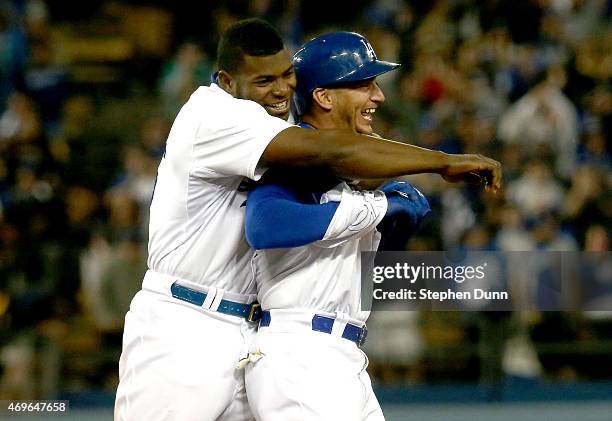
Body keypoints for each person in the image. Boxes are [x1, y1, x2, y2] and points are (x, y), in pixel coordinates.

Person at [115, 19, 501, 421]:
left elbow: (344, 162)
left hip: (252, 333)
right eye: (265, 80)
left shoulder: (274, 127)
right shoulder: (214, 115)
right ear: (228, 81)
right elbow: (291, 195)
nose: (282, 89)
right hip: (186, 324)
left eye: (287, 76)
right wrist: (432, 169)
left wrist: (392, 203)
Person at [242, 31, 430, 421]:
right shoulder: (298, 155)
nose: (378, 97)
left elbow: (355, 267)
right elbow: (264, 224)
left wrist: (393, 219)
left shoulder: (352, 170)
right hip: (301, 354)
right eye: (364, 85)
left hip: (341, 355)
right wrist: (377, 209)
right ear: (324, 97)